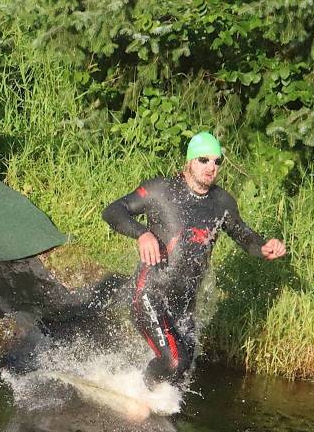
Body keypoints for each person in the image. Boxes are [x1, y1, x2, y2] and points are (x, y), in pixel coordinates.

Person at [101, 132, 287, 387]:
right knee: (175, 362)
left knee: (181, 371)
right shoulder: (160, 190)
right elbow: (113, 211)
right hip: (149, 293)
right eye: (203, 160)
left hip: (184, 304)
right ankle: (139, 392)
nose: (211, 167)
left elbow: (244, 236)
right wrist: (142, 233)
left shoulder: (222, 202)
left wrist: (264, 247)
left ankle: (152, 402)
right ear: (189, 161)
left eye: (217, 162)